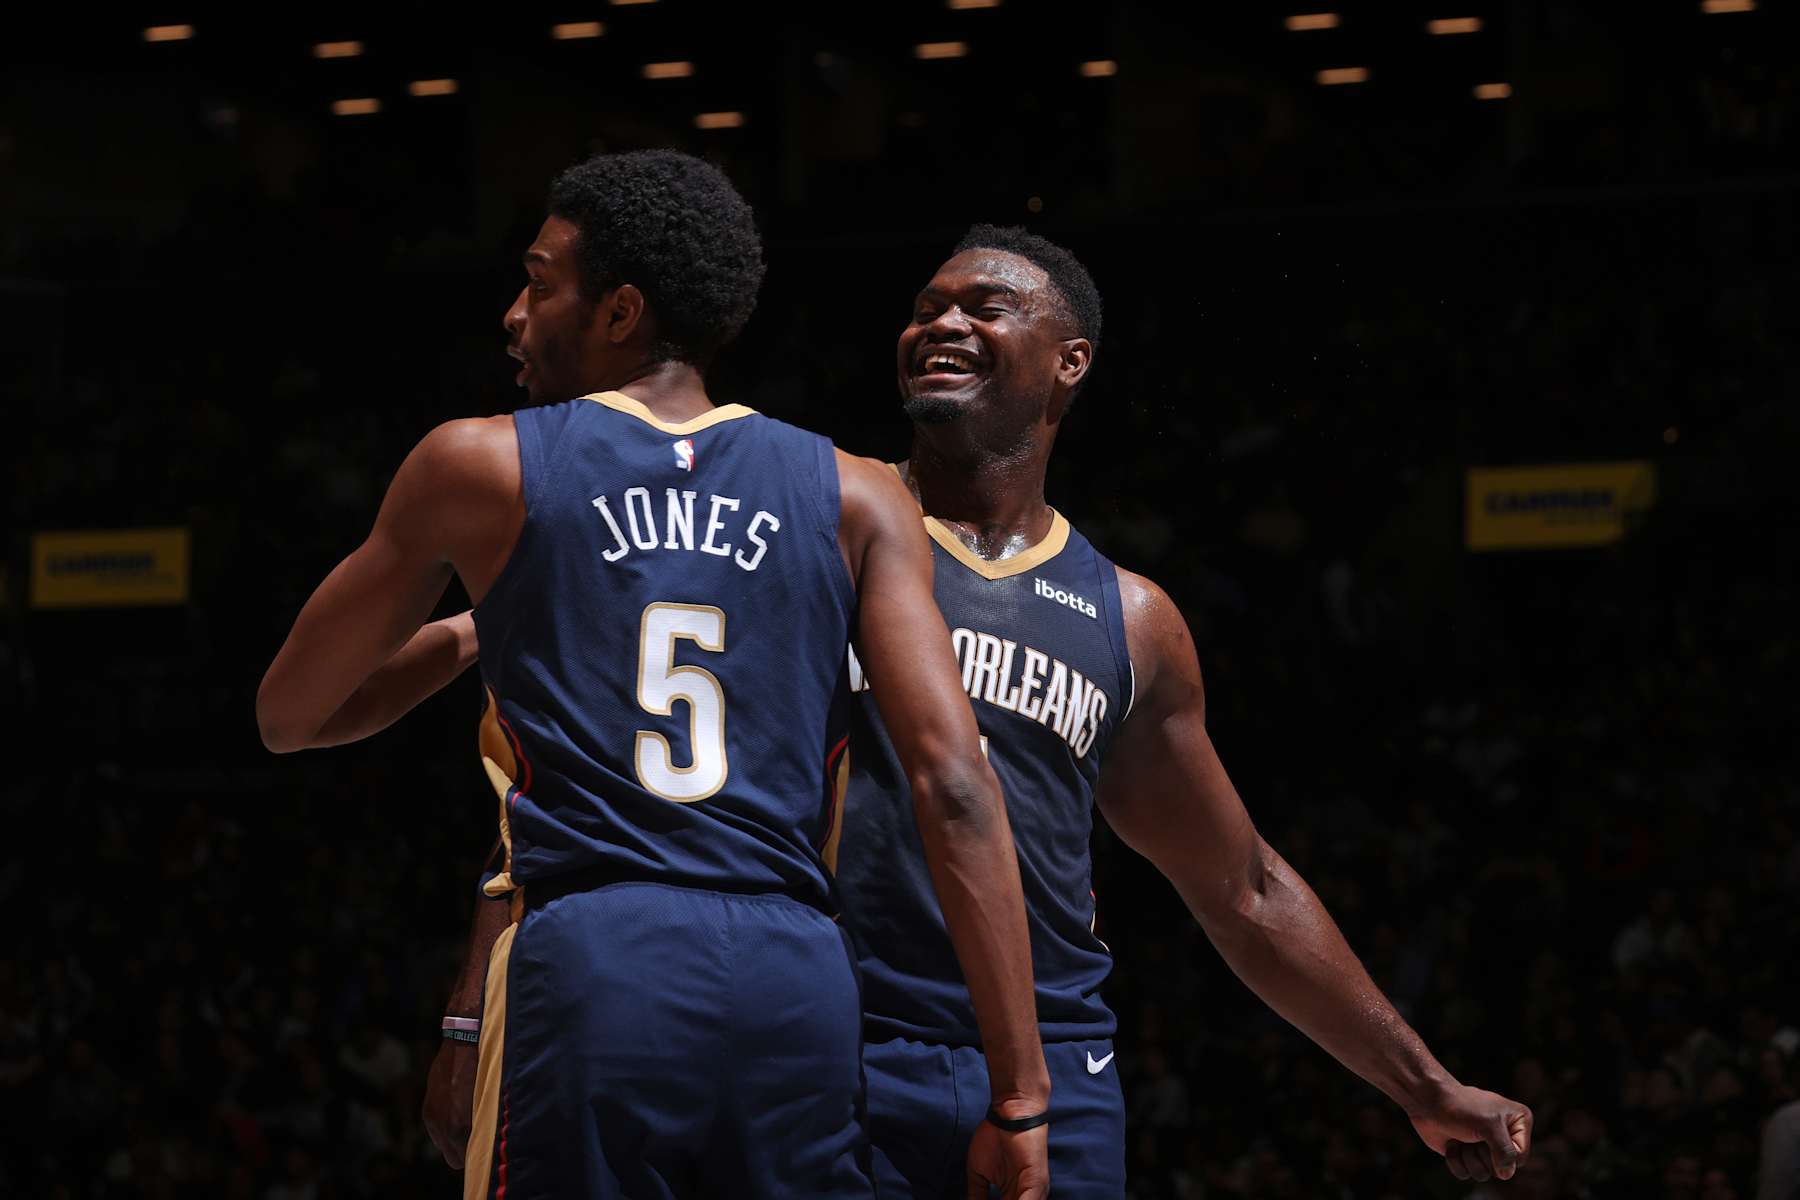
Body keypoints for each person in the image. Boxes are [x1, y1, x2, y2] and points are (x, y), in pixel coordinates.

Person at [255, 152, 1050, 1200]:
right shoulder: (859, 496)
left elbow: (293, 715)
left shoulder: (479, 464)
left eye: (539, 284)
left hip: (597, 956)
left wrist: (478, 625)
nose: (514, 314)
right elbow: (956, 786)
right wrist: (1022, 1094)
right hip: (796, 973)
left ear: (621, 310)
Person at [830, 225, 1535, 1196]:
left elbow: (1242, 891)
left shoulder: (1132, 620)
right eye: (925, 308)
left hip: (1058, 1063)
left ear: (1070, 361)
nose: (941, 322)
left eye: (983, 306)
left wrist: (1424, 1085)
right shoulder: (827, 530)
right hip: (842, 1042)